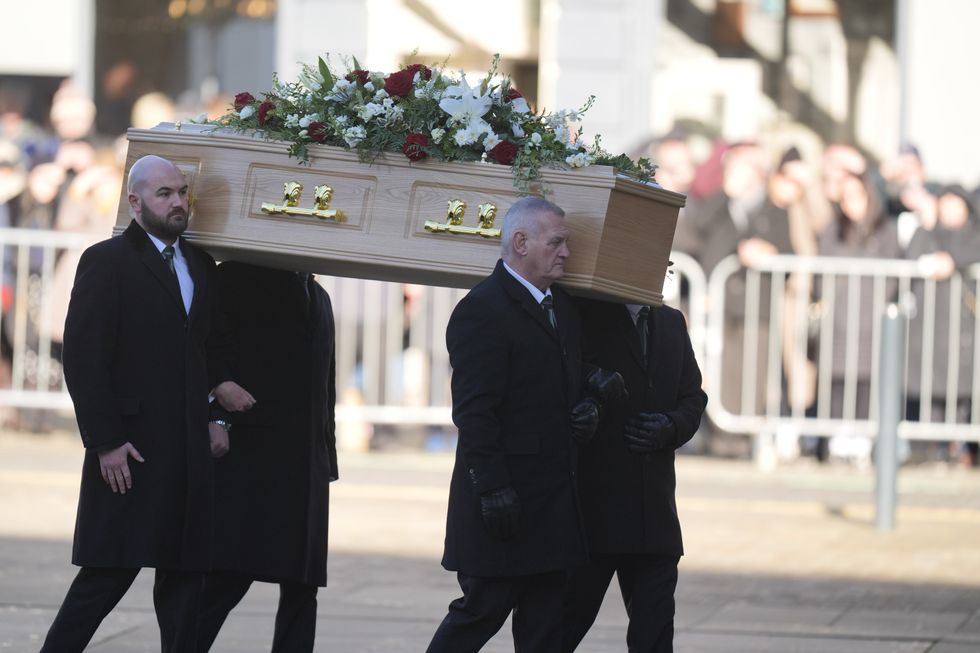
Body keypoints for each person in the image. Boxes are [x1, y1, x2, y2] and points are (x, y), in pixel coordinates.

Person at [40, 154, 217, 652]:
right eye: (165, 194)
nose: (179, 202)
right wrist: (107, 441)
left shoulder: (201, 266)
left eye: (182, 192)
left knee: (186, 585)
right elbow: (83, 357)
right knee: (106, 576)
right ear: (134, 202)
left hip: (186, 454)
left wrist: (216, 417)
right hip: (132, 452)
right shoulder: (106, 261)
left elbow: (205, 350)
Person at [426, 196, 616, 653]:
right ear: (520, 242)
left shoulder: (562, 307)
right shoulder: (483, 310)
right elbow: (474, 412)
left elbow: (564, 378)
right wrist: (491, 488)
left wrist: (590, 405)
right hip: (507, 501)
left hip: (552, 503)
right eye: (557, 243)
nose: (567, 253)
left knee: (546, 630)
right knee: (480, 612)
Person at [197, 261, 339, 652]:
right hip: (251, 456)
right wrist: (216, 417)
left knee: (302, 587)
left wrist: (326, 455)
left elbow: (324, 384)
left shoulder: (319, 295)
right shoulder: (237, 277)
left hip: (304, 463)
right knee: (226, 577)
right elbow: (209, 346)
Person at [563, 299, 707, 652]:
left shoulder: (671, 322)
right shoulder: (585, 313)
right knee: (560, 626)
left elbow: (692, 398)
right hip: (596, 515)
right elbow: (560, 375)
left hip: (653, 517)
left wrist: (671, 426)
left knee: (655, 634)